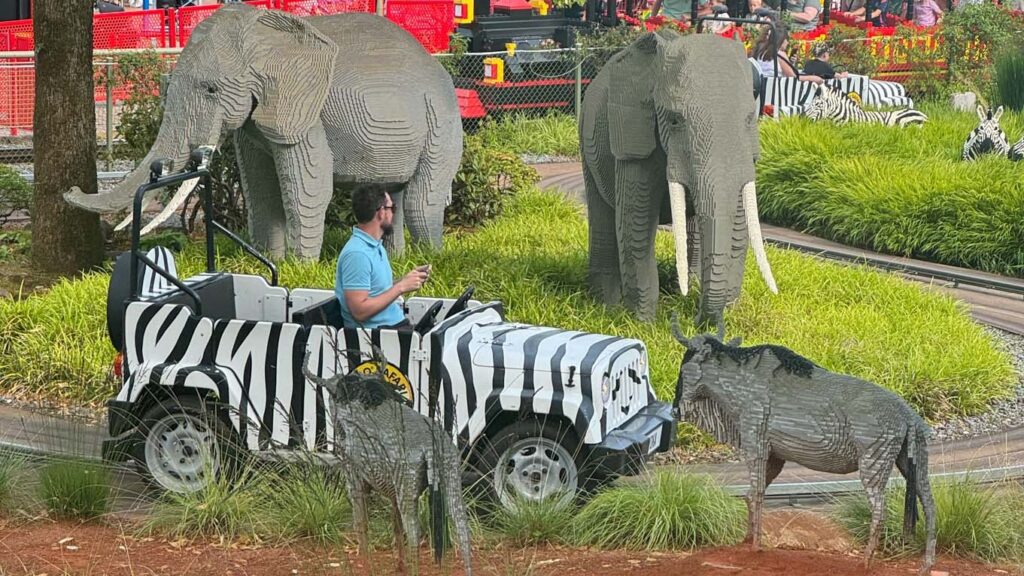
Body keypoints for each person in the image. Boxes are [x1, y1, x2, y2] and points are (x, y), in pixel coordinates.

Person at [335, 184, 430, 330]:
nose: (393, 214)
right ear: (381, 212)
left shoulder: (374, 245)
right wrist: (400, 287)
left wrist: (406, 280)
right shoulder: (357, 255)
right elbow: (359, 311)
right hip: (380, 336)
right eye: (393, 208)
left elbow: (376, 291)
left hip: (393, 327)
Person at [751, 21, 826, 83]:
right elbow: (793, 77)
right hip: (776, 91)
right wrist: (813, 78)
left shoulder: (759, 51)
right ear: (782, 40)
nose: (787, 43)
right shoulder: (779, 55)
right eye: (787, 39)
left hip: (763, 88)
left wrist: (790, 62)